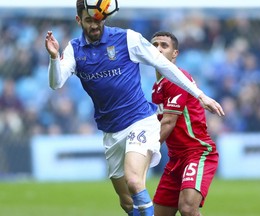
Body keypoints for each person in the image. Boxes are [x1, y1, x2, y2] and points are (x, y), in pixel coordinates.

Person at [45, 1, 224, 215]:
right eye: (89, 20)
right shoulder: (74, 49)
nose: (94, 25)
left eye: (98, 20)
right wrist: (54, 57)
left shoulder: (126, 38)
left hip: (140, 121)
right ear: (78, 21)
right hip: (111, 131)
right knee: (127, 201)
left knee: (134, 181)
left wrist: (200, 95)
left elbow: (164, 65)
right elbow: (56, 83)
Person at [151, 31, 219, 216]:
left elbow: (168, 123)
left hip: (197, 153)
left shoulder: (176, 78)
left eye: (164, 45)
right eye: (154, 45)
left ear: (175, 54)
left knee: (188, 208)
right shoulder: (157, 86)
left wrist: (145, 152)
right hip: (175, 159)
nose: (158, 49)